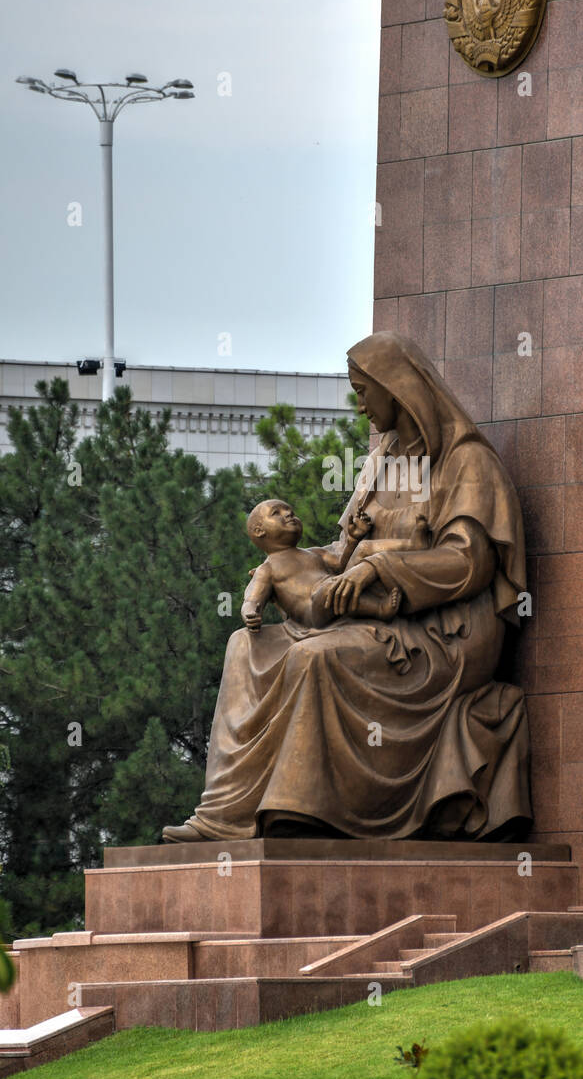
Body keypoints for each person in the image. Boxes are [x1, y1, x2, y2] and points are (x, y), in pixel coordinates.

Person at [163, 331, 530, 843]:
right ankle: (225, 816)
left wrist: (381, 570)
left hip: (446, 632)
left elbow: (468, 563)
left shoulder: (467, 462)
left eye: (363, 391)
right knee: (245, 647)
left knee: (315, 658)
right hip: (369, 615)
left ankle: (300, 815)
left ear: (396, 388)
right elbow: (343, 549)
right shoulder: (380, 463)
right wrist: (293, 564)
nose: (359, 406)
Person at [241, 496, 428, 629]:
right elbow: (252, 599)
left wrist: (353, 540)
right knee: (329, 589)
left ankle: (413, 544)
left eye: (290, 511)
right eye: (277, 513)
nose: (289, 513)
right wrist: (251, 614)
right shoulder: (267, 569)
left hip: (332, 589)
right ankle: (379, 609)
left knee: (362, 550)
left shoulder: (313, 552)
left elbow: (340, 565)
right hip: (313, 610)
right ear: (259, 531)